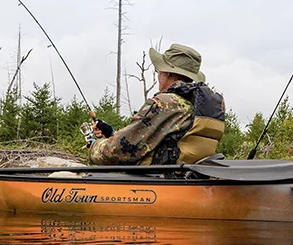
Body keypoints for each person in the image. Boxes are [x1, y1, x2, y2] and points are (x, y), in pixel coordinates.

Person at [88, 44, 226, 165]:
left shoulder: (166, 104)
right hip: (188, 180)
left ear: (167, 73)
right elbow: (164, 143)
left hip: (155, 183)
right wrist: (111, 133)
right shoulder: (197, 106)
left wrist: (95, 144)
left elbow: (120, 151)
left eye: (159, 70)